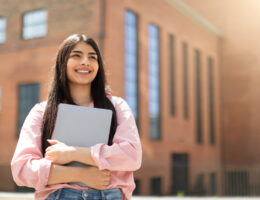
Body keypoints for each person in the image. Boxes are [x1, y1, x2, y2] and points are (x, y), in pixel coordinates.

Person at [11, 34, 142, 200]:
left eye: (92, 57)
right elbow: (21, 169)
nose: (85, 62)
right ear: (62, 63)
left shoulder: (117, 106)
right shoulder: (41, 112)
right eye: (76, 55)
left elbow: (132, 156)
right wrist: (80, 174)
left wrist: (72, 154)